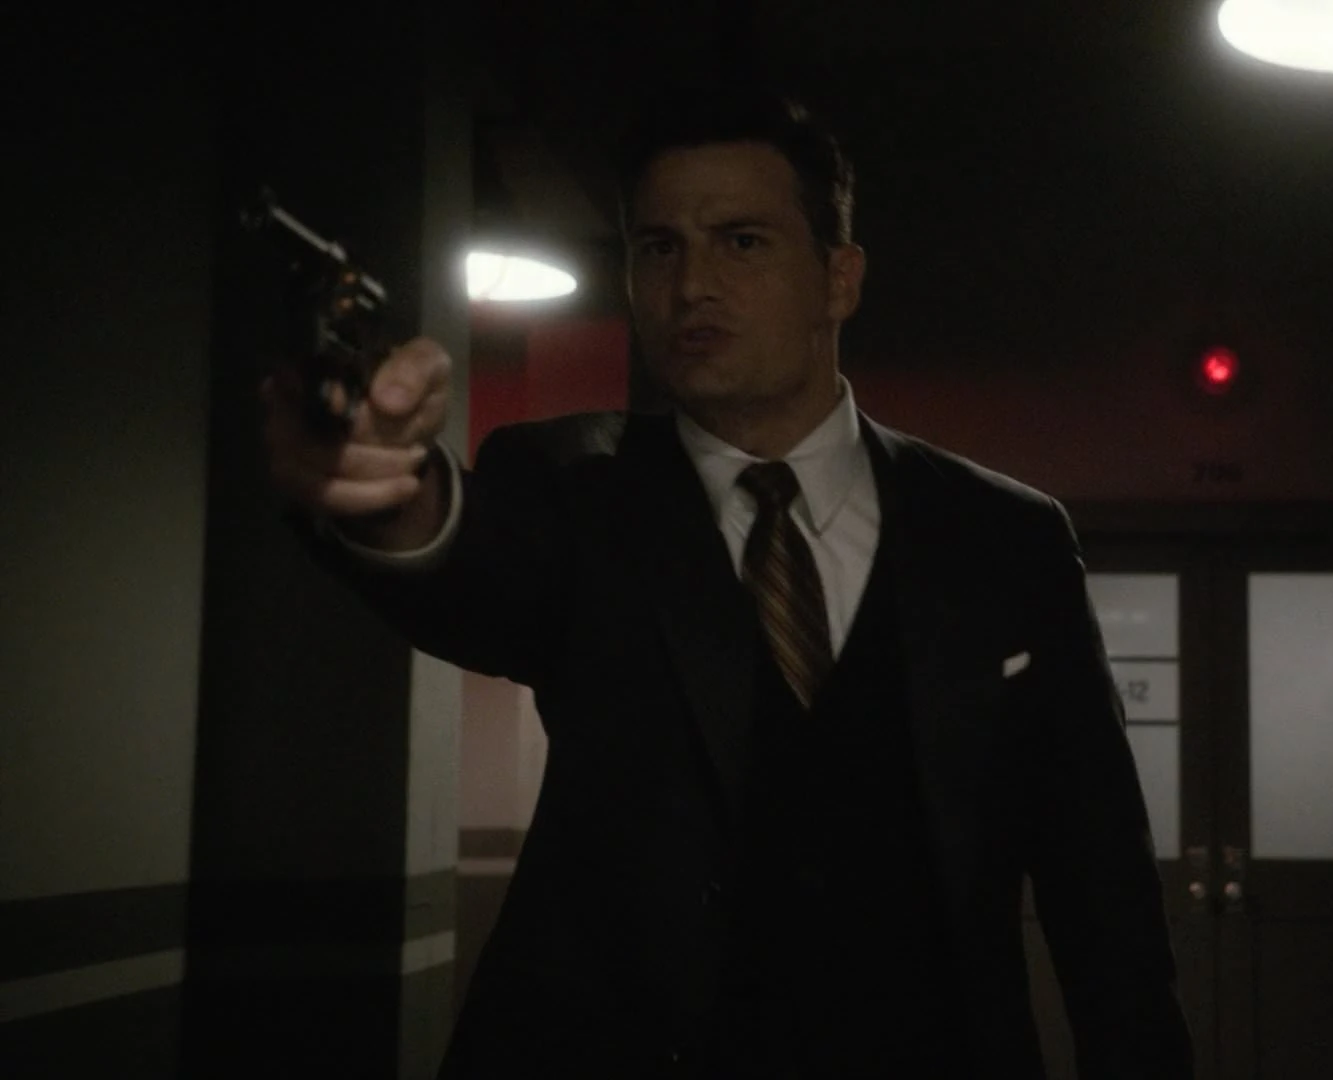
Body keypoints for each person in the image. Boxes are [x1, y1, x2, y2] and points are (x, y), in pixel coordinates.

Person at [261, 86, 1192, 1080]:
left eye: (742, 242)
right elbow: (475, 566)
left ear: (839, 279)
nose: (692, 284)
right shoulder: (574, 487)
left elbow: (1098, 873)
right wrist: (390, 494)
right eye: (659, 247)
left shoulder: (1003, 536)